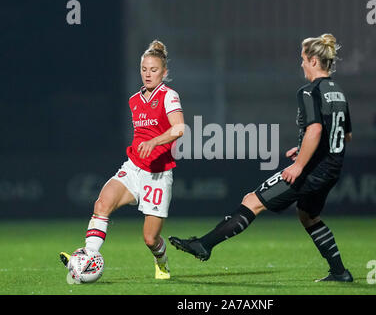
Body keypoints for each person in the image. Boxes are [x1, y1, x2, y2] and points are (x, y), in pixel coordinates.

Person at [169, 34, 353, 282]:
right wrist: (304, 150)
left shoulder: (309, 91)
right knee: (308, 216)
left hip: (312, 170)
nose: (300, 65)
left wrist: (299, 165)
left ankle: (204, 245)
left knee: (252, 200)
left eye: (302, 59)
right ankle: (340, 272)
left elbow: (316, 129)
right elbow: (345, 135)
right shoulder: (338, 92)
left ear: (312, 61)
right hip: (331, 169)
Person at [59, 40, 184, 280]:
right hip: (134, 167)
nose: (148, 74)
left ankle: (162, 262)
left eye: (154, 70)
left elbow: (179, 129)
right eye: (144, 69)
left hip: (158, 175)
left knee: (150, 239)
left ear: (164, 72)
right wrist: (143, 146)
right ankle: (88, 257)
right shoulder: (134, 100)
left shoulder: (169, 96)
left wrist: (154, 142)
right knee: (102, 204)